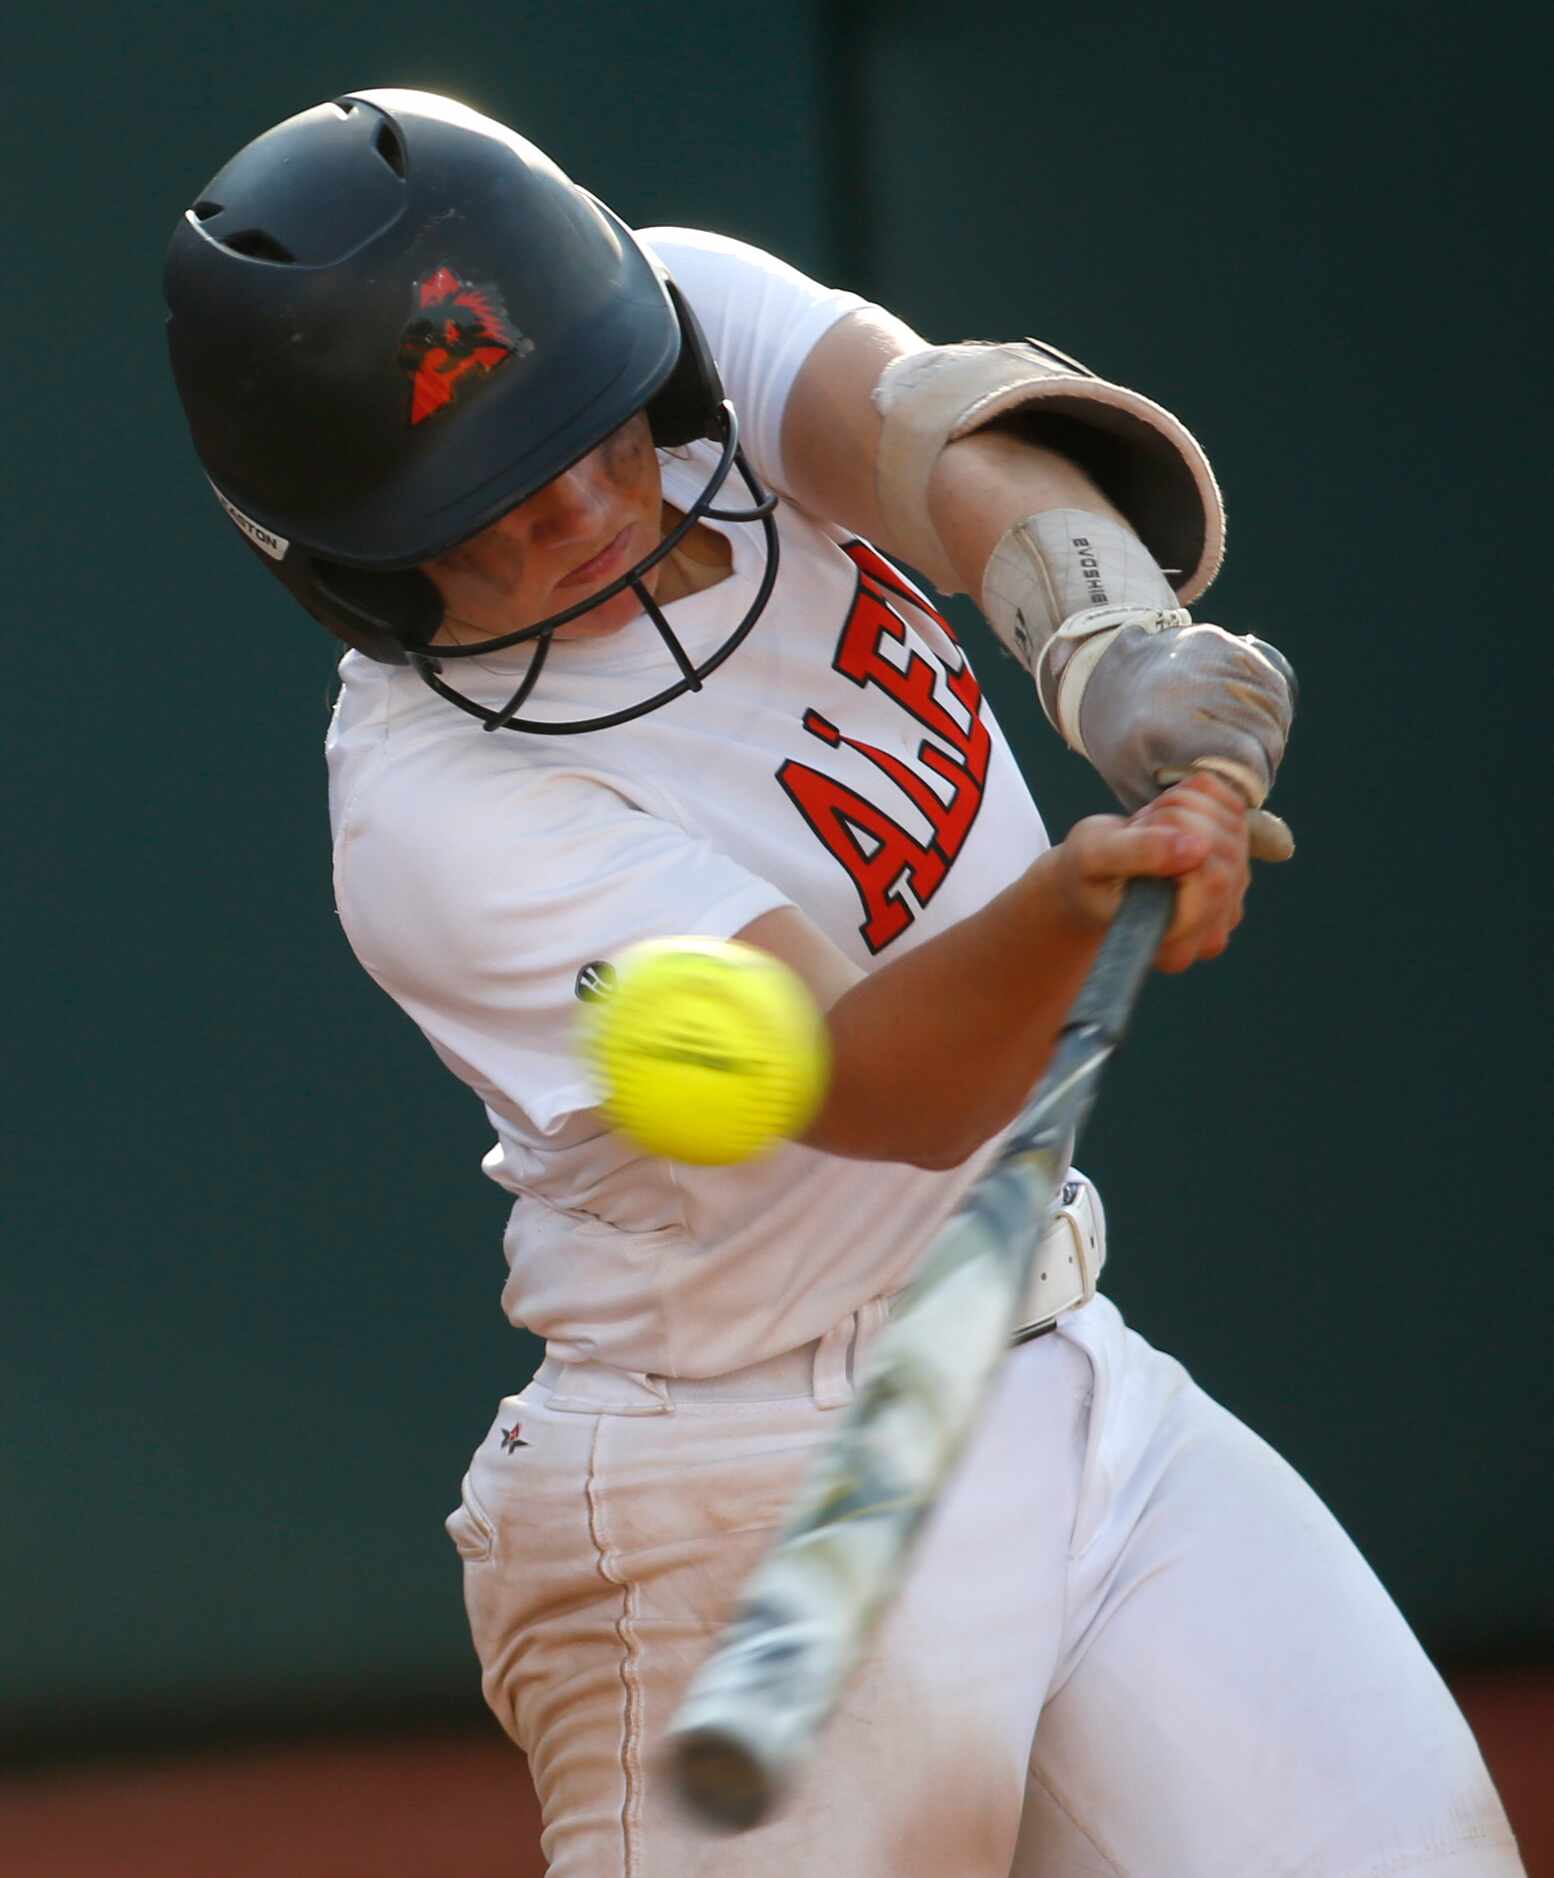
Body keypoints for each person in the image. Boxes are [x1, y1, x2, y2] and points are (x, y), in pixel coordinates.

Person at [164, 88, 1523, 1878]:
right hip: (728, 1497)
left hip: (1055, 1366)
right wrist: (1074, 903)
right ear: (350, 567)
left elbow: (927, 428)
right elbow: (884, 1083)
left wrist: (1110, 645)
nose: (582, 501)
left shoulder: (675, 324)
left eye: (590, 429)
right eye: (489, 496)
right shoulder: (438, 818)